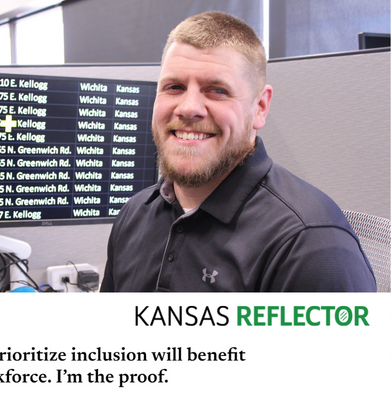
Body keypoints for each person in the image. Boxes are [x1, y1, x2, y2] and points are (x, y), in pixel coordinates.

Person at [100, 11, 376, 292]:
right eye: (174, 87)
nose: (188, 107)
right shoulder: (134, 214)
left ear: (260, 107)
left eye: (217, 90)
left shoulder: (312, 247)